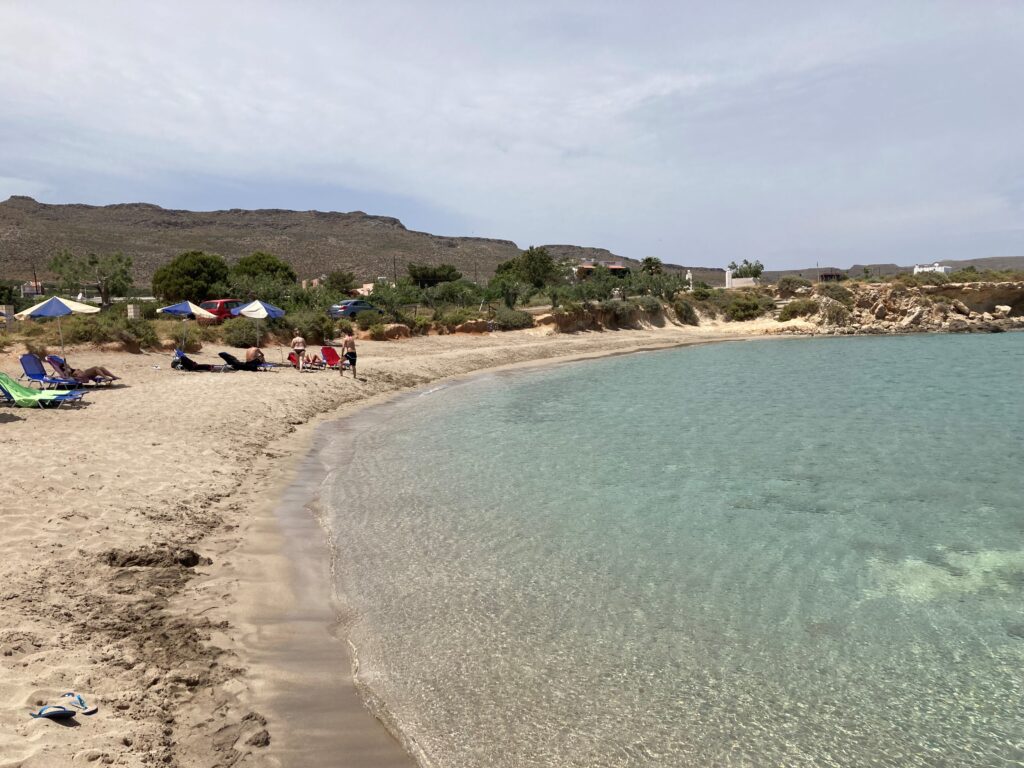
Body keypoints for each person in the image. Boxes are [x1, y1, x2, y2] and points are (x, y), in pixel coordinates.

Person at [51, 358, 119, 383]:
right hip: (82, 375)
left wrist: (68, 367)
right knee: (95, 368)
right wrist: (67, 369)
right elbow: (68, 376)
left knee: (101, 368)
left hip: (84, 373)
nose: (67, 364)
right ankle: (105, 377)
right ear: (63, 367)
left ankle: (113, 376)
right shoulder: (66, 371)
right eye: (66, 364)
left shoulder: (68, 368)